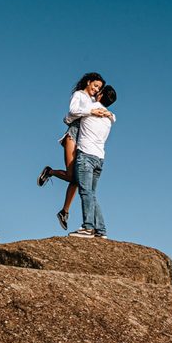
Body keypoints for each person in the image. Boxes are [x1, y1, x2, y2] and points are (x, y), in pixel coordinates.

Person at [37, 72, 108, 230]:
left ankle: (64, 211)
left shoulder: (92, 100)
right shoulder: (79, 95)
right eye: (95, 85)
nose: (96, 90)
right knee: (72, 176)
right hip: (73, 136)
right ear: (88, 82)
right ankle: (50, 172)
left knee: (77, 179)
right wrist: (91, 111)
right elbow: (71, 112)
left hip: (85, 140)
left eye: (99, 88)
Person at [67, 84, 117, 238]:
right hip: (99, 158)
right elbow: (114, 117)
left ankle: (88, 227)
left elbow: (70, 115)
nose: (95, 92)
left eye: (98, 91)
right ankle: (100, 230)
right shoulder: (109, 117)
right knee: (91, 194)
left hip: (86, 156)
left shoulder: (90, 107)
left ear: (100, 95)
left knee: (85, 192)